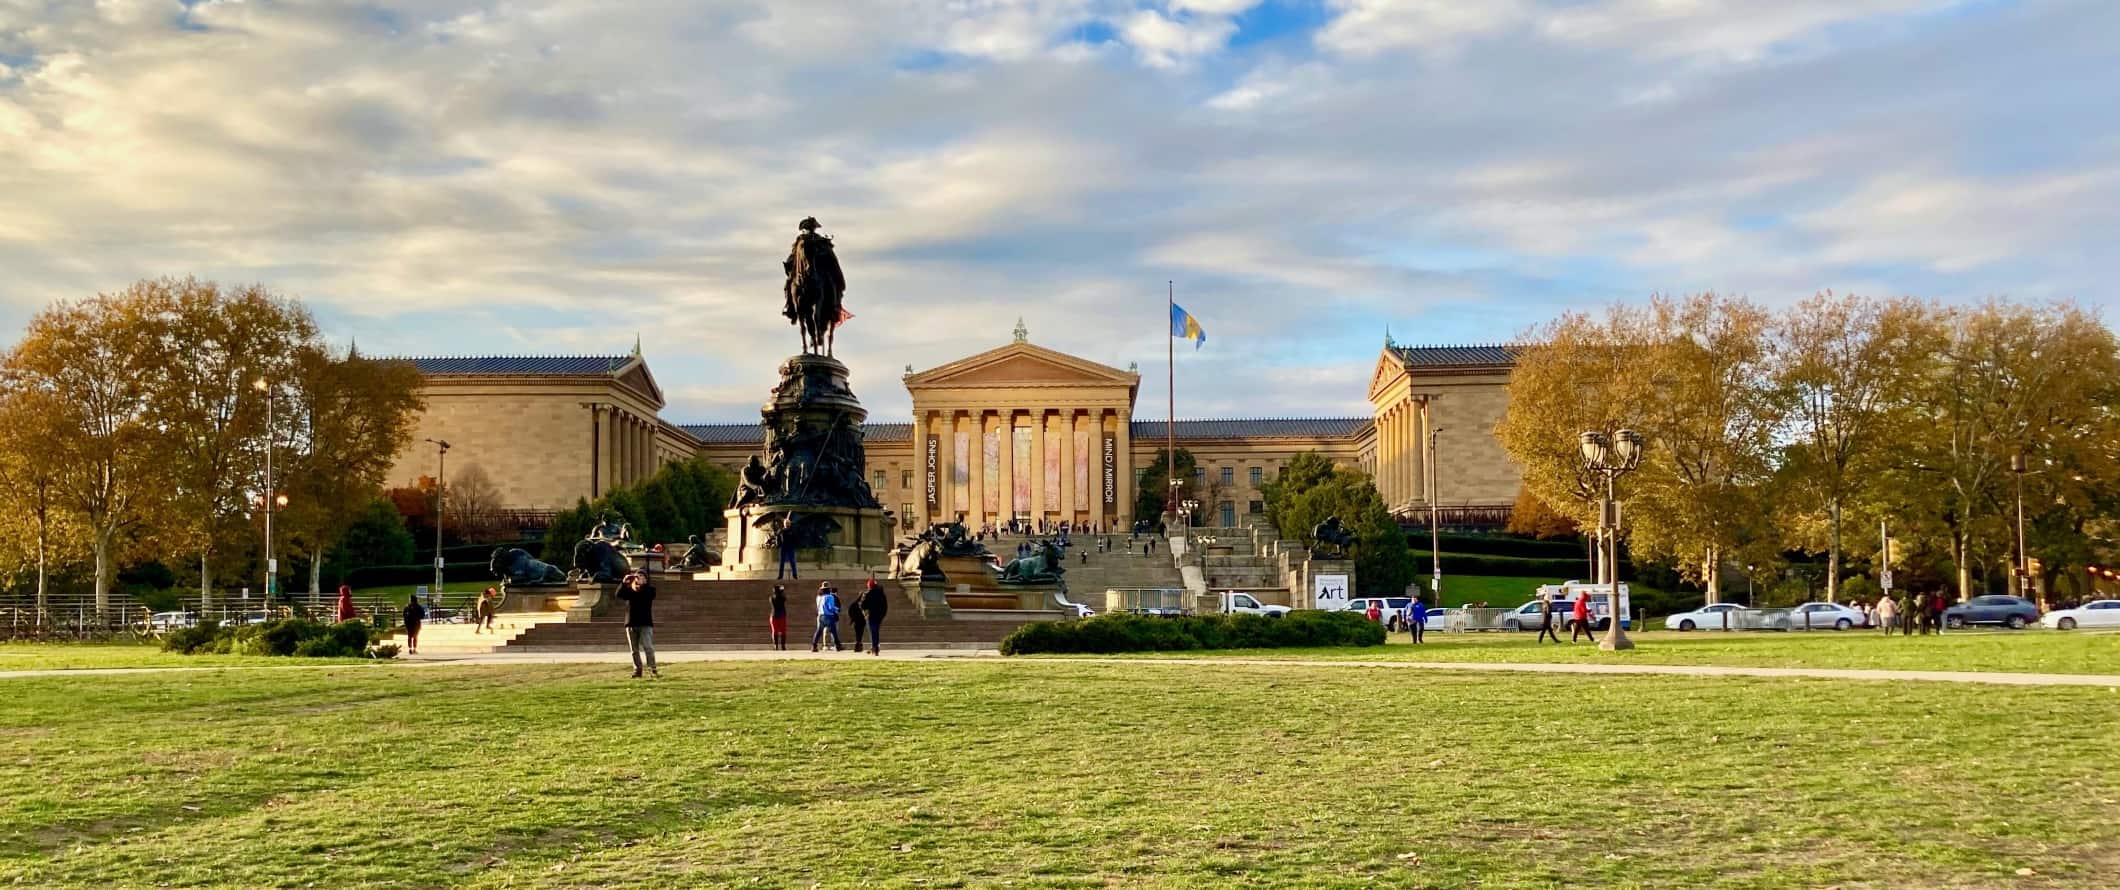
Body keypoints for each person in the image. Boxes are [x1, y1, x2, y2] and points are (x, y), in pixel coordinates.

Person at [617, 572, 657, 678]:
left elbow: (646, 596)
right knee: (634, 650)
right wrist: (624, 583)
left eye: (641, 577)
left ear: (646, 579)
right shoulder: (629, 590)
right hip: (631, 623)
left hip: (645, 623)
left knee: (648, 647)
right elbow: (619, 595)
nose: (638, 578)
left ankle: (652, 669)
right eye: (636, 577)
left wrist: (641, 585)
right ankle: (637, 670)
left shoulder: (650, 590)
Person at [861, 578, 889, 656]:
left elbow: (863, 605)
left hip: (871, 615)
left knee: (873, 632)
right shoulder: (881, 594)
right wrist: (882, 615)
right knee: (875, 631)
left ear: (869, 586)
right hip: (879, 616)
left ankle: (875, 647)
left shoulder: (867, 594)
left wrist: (866, 612)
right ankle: (875, 647)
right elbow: (885, 606)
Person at [812, 582, 843, 652]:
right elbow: (831, 607)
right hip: (829, 616)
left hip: (820, 616)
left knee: (819, 631)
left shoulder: (818, 597)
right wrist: (837, 609)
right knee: (834, 631)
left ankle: (814, 645)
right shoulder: (830, 597)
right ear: (829, 589)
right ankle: (838, 645)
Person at [846, 582, 868, 652]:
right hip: (857, 621)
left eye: (864, 597)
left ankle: (859, 645)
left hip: (862, 621)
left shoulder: (865, 604)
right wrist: (853, 618)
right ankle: (858, 646)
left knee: (860, 634)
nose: (863, 598)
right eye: (863, 597)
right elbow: (850, 611)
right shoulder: (855, 604)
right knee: (858, 633)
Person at [769, 584, 789, 650]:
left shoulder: (771, 598)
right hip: (781, 615)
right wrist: (782, 591)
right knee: (783, 631)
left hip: (774, 615)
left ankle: (776, 645)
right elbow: (784, 597)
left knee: (775, 631)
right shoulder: (782, 598)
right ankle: (783, 645)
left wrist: (780, 591)